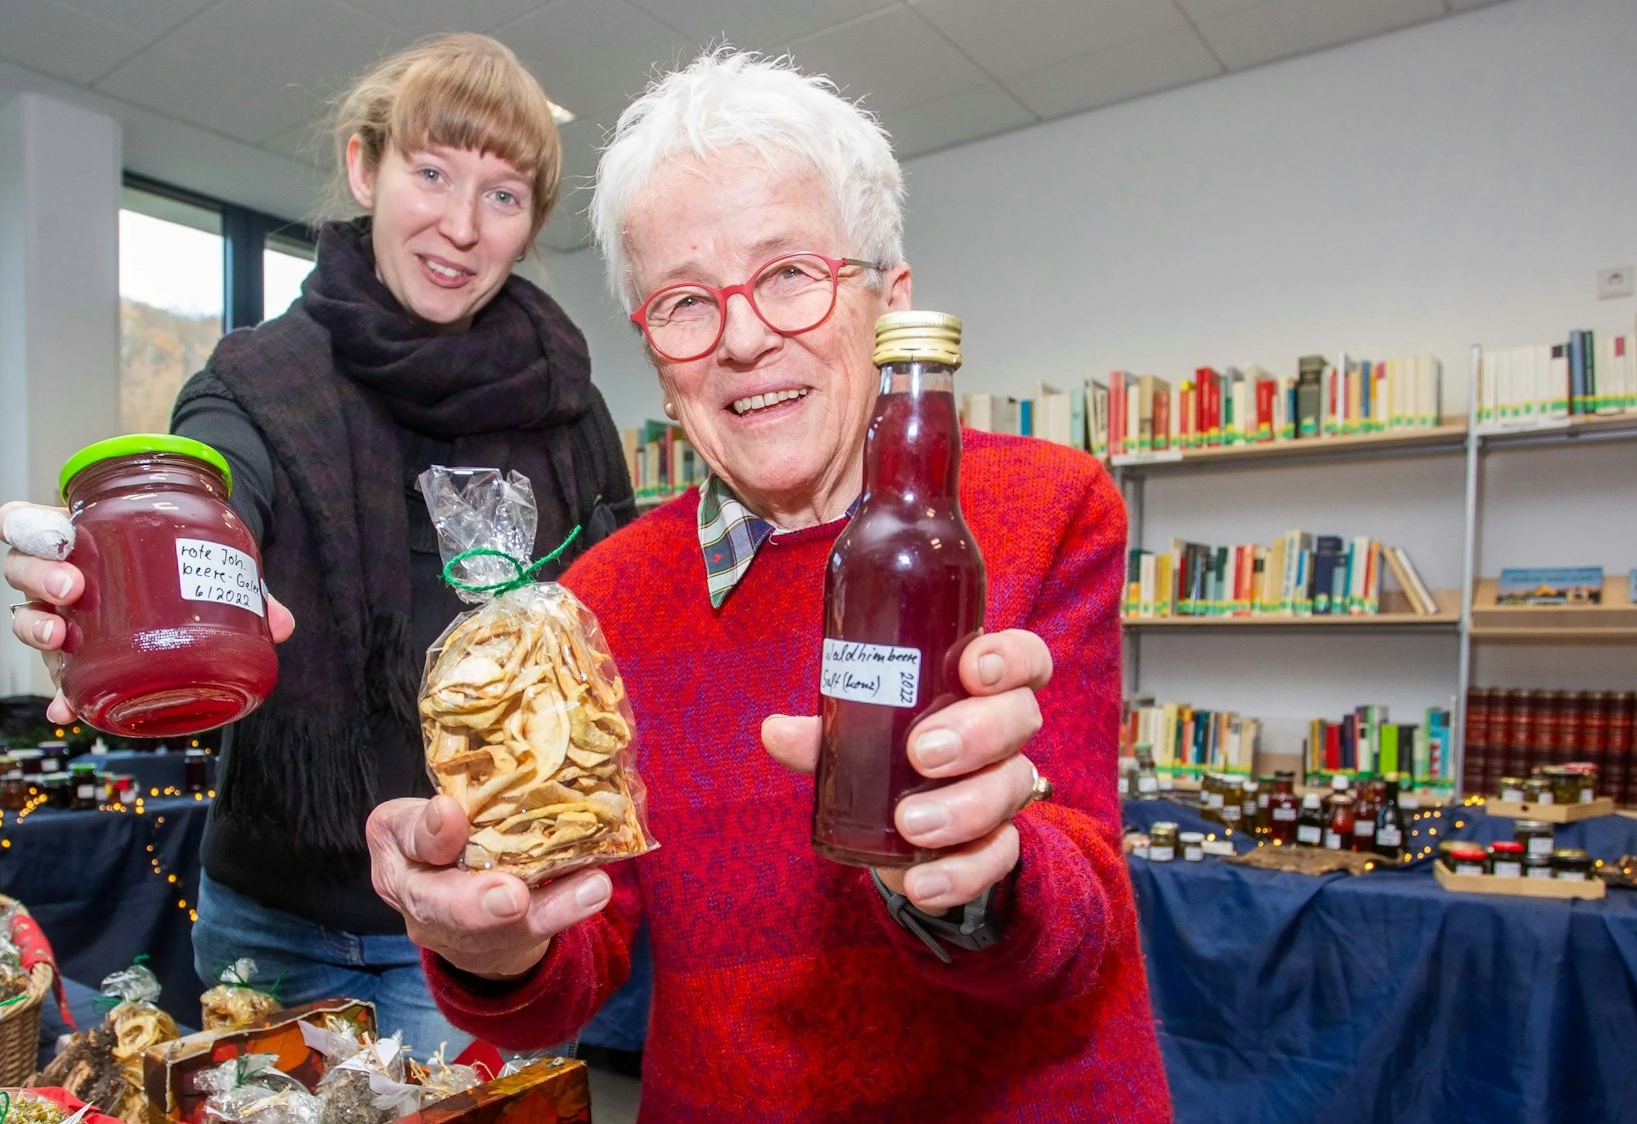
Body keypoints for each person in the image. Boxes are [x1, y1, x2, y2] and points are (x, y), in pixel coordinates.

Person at [364, 49, 1172, 1119]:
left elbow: (1080, 927)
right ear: (652, 348)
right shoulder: (605, 592)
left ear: (890, 304)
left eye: (790, 274)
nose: (743, 338)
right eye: (684, 302)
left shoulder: (1043, 508)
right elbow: (580, 950)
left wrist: (987, 873)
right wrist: (494, 941)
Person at [0, 34, 634, 1054]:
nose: (461, 227)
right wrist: (116, 578)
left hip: (489, 924)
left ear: (532, 222)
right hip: (275, 921)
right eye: (431, 172)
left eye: (503, 195)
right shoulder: (259, 379)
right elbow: (210, 488)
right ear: (364, 166)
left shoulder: (570, 411)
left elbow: (619, 623)